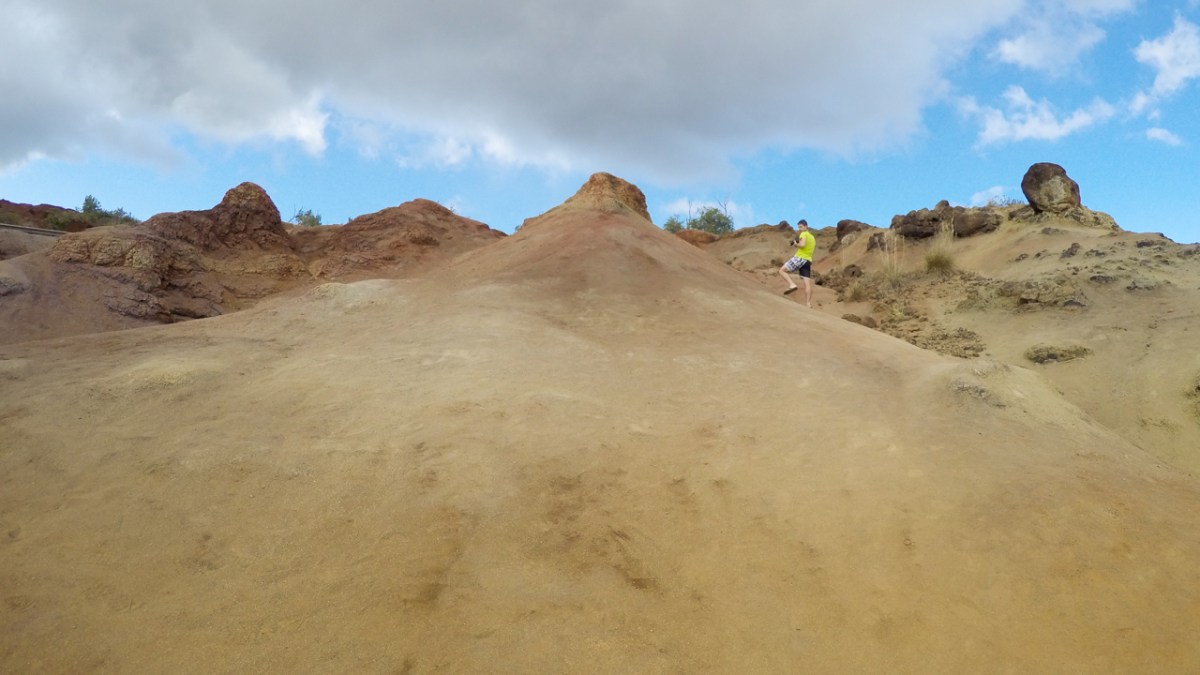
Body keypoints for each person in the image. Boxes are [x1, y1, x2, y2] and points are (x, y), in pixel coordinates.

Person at [779, 219, 816, 307]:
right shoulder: (812, 237)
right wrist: (797, 242)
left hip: (800, 258)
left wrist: (796, 244)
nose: (799, 229)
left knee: (782, 270)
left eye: (801, 227)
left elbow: (802, 245)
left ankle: (792, 284)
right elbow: (806, 245)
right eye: (798, 227)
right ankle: (808, 303)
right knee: (807, 284)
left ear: (806, 226)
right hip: (807, 261)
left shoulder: (803, 234)